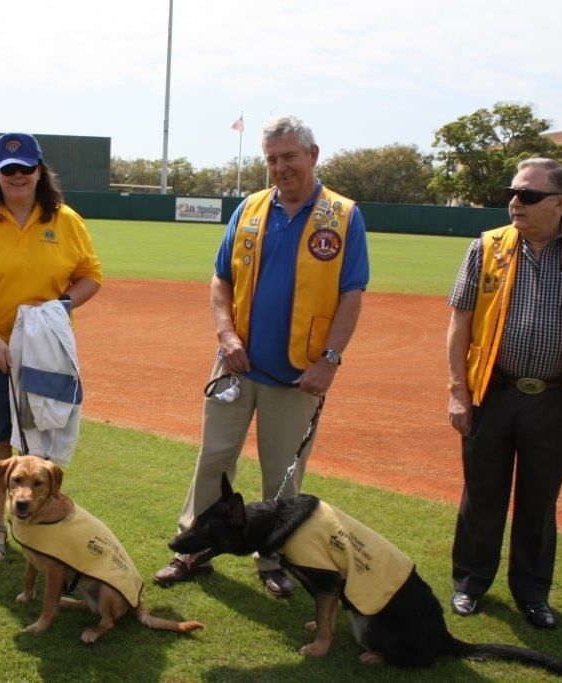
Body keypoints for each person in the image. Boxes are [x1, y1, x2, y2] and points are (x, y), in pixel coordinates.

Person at [153, 116, 370, 596]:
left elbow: (352, 293)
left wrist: (329, 360)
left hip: (298, 374)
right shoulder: (249, 209)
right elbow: (220, 279)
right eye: (271, 159)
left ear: (313, 155)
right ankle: (192, 550)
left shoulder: (343, 216)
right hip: (237, 365)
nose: (280, 167)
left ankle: (273, 557)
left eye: (289, 156)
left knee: (283, 475)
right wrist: (226, 335)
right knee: (214, 459)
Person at [446, 158, 562, 629]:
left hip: (559, 399)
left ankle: (532, 593)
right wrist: (459, 392)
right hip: (492, 394)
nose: (515, 202)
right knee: (481, 495)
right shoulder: (487, 247)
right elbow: (458, 322)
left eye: (529, 195)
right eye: (513, 193)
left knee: (539, 502)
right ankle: (470, 583)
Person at [0, 133, 103, 561]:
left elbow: (91, 276)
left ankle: (37, 525)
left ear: (40, 171)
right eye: (8, 170)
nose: (18, 176)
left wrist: (58, 307)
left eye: (26, 168)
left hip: (43, 352)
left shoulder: (66, 220)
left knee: (39, 440)